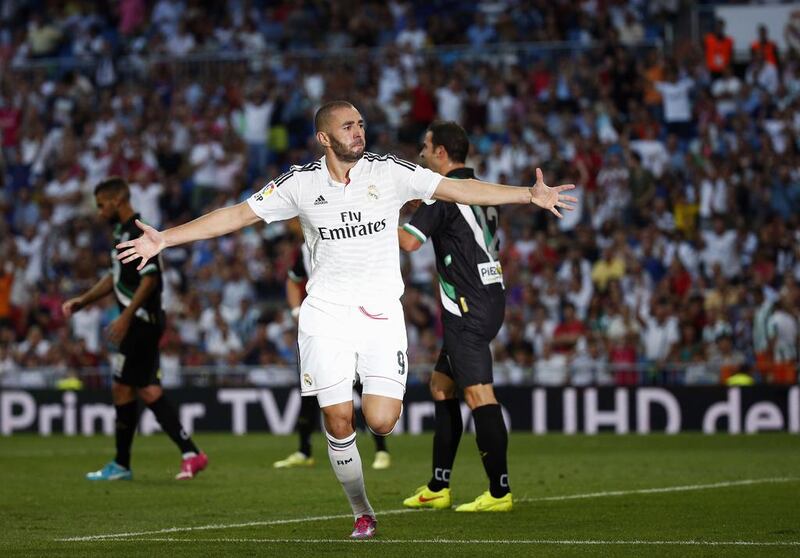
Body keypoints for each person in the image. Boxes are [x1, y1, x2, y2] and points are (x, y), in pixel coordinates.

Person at [115, 101, 576, 539]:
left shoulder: (390, 171)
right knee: (337, 421)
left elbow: (457, 188)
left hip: (380, 316)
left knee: (380, 421)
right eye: (349, 126)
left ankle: (380, 462)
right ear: (324, 138)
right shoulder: (299, 183)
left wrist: (526, 195)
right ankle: (362, 512)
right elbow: (237, 215)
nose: (360, 131)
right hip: (324, 315)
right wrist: (166, 240)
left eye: (361, 124)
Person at [398, 121, 513, 512]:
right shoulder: (483, 191)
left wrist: (375, 216)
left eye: (425, 147)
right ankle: (438, 485)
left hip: (467, 305)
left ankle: (500, 492)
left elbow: (409, 242)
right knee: (441, 387)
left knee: (480, 395)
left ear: (442, 153)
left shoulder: (442, 197)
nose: (421, 154)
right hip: (490, 296)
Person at [62, 177, 208, 481]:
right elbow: (115, 277)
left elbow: (150, 278)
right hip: (141, 320)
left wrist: (126, 316)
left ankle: (127, 463)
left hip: (142, 321)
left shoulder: (138, 232)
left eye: (102, 205)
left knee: (128, 386)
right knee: (141, 388)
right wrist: (84, 301)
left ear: (117, 201)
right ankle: (187, 454)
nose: (99, 212)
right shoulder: (121, 231)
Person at [274, 243, 391, 470]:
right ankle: (304, 451)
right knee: (309, 393)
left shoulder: (345, 240)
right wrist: (296, 311)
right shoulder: (307, 248)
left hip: (349, 326)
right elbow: (293, 279)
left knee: (361, 387)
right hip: (319, 330)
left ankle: (382, 450)